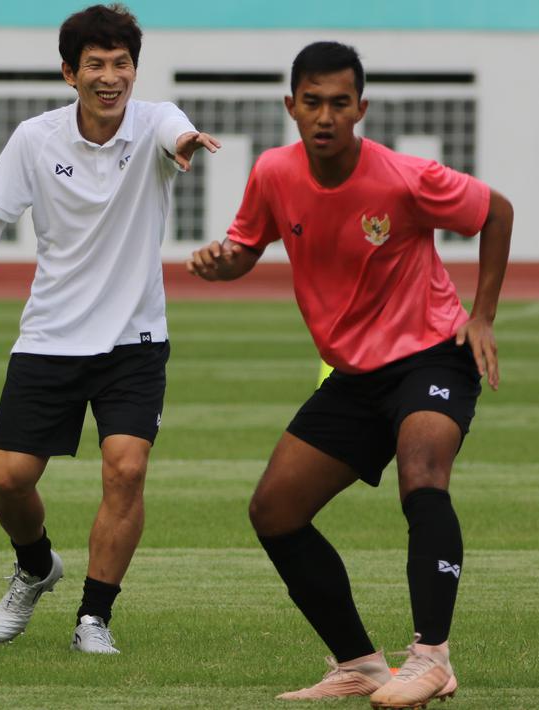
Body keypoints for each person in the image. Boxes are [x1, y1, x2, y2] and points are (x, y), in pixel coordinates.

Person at [187, 41, 512, 706]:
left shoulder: (404, 177)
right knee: (274, 511)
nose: (326, 116)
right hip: (355, 376)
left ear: (361, 108)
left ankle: (431, 657)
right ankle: (360, 664)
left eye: (340, 103)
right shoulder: (273, 172)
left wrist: (481, 315)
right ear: (291, 106)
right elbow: (246, 244)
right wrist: (223, 265)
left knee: (422, 474)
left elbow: (495, 211)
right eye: (312, 102)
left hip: (431, 353)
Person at [0, 3, 219, 655]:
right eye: (95, 64)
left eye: (121, 64)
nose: (109, 77)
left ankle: (94, 617)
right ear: (70, 73)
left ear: (134, 70)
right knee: (9, 482)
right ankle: (36, 565)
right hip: (50, 336)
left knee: (126, 468)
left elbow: (174, 131)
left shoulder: (155, 123)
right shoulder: (35, 138)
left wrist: (186, 142)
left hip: (134, 341)